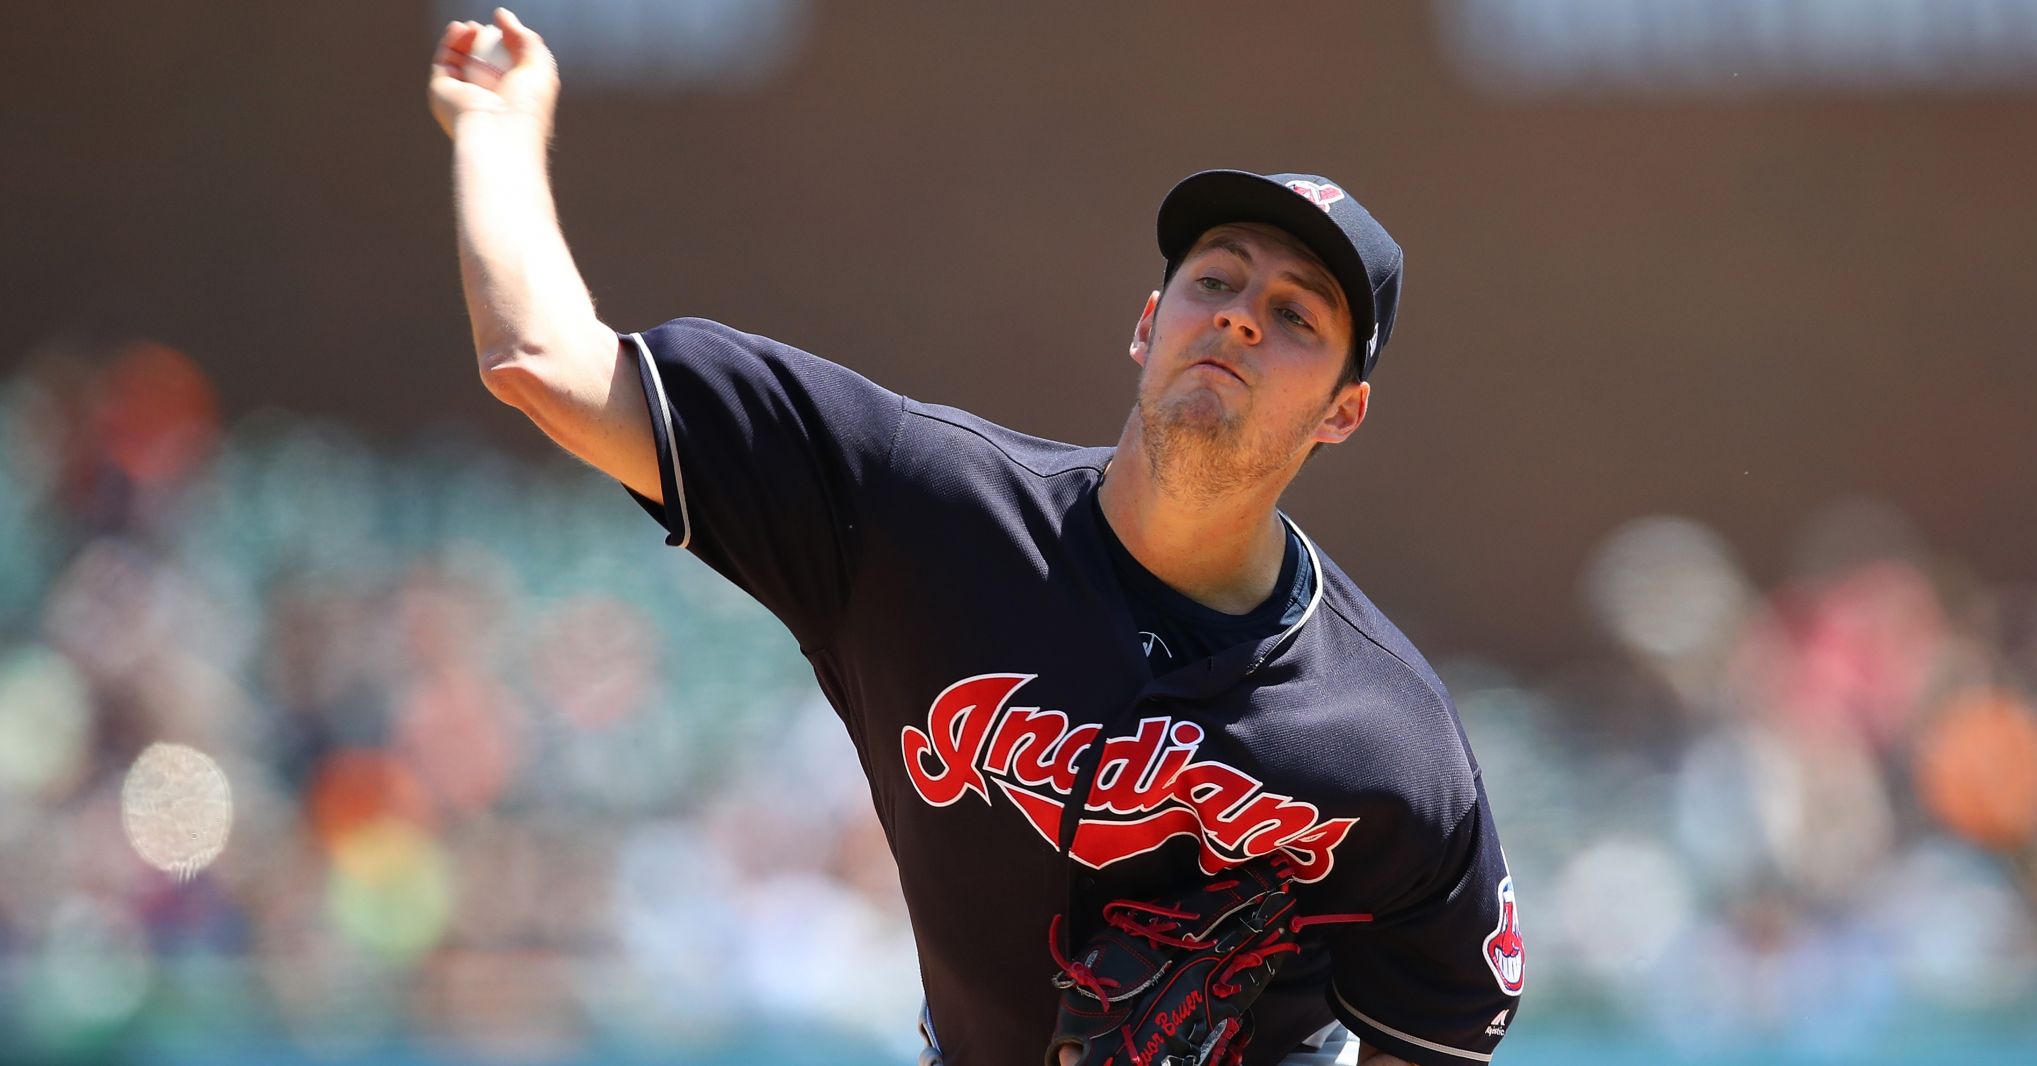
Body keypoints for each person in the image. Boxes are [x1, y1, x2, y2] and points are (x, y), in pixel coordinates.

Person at [430, 10, 1524, 1066]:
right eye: (1215, 277)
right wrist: (498, 130)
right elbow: (543, 361)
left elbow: (1436, 1028)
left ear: (1342, 409)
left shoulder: (1386, 739)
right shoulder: (914, 507)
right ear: (1150, 324)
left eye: (1296, 316)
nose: (1238, 314)